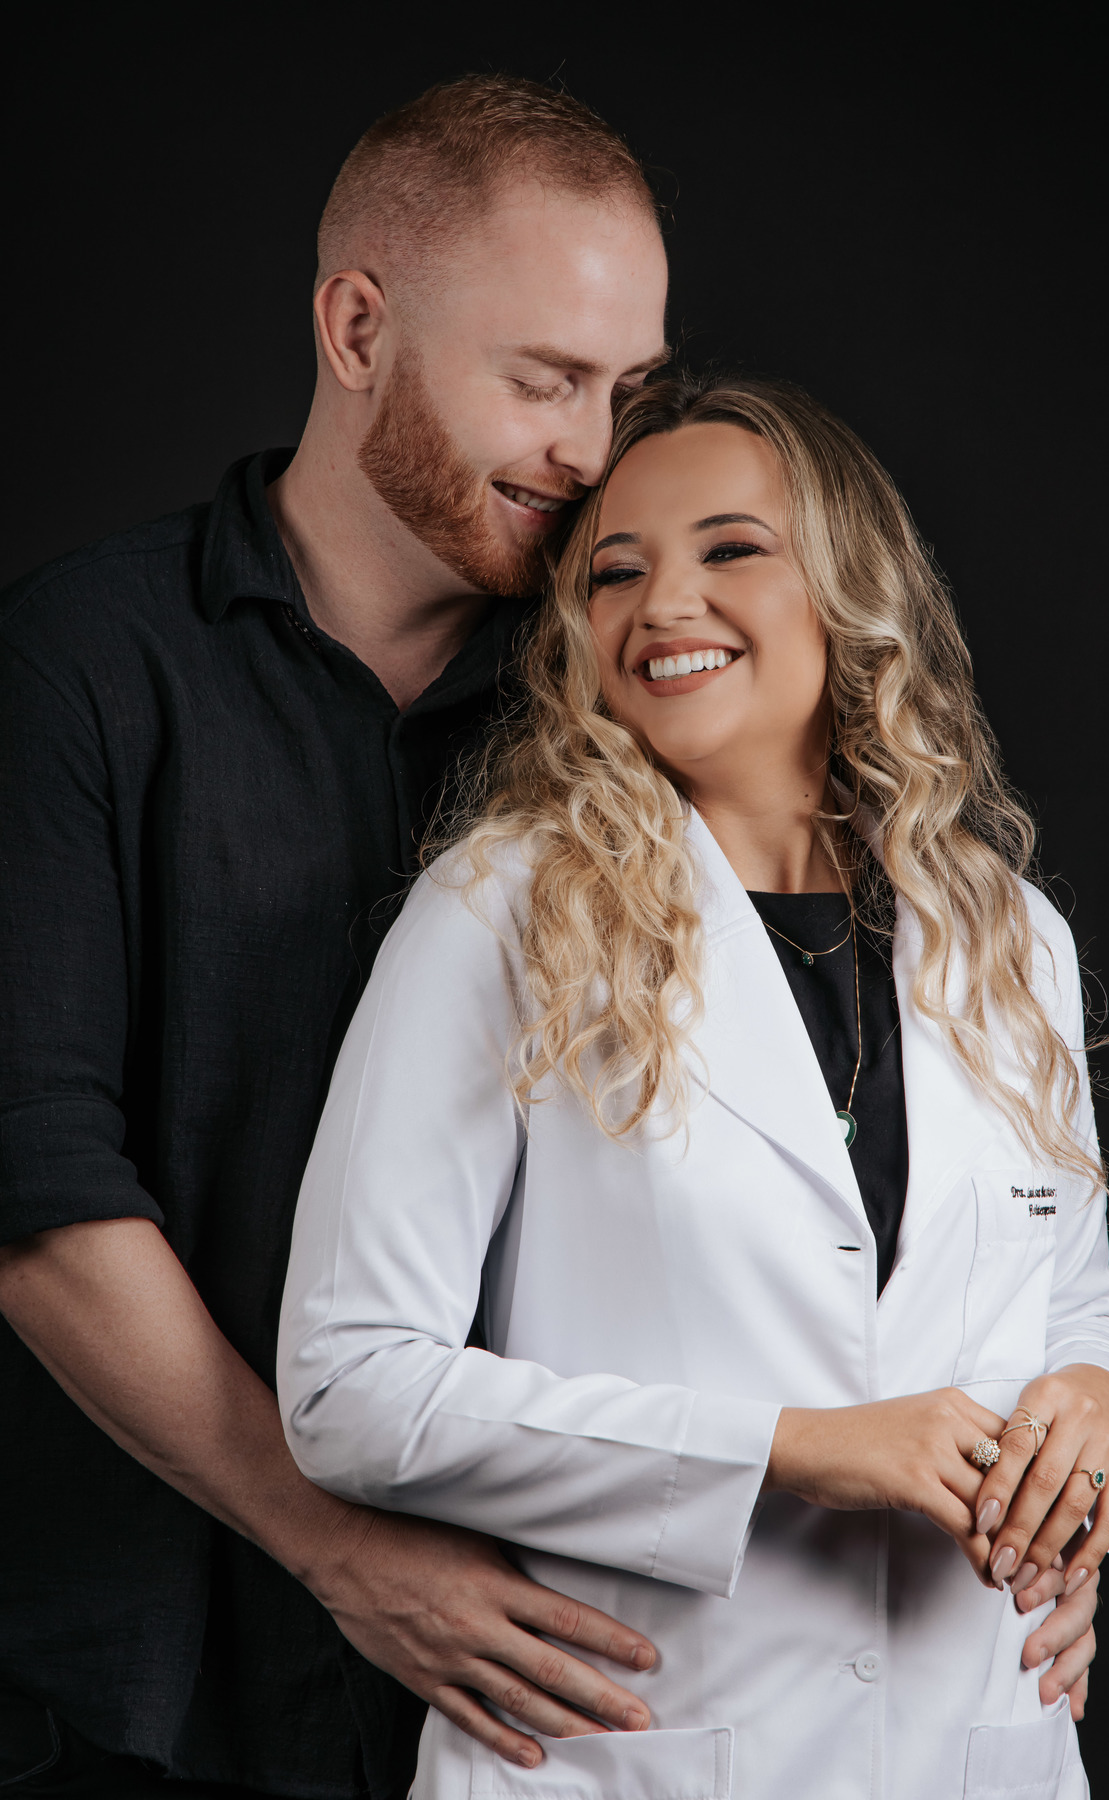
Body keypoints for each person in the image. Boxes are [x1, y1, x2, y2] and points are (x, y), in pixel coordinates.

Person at [278, 372, 1109, 1798]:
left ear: (850, 588)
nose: (663, 604)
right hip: (641, 1750)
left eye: (730, 548)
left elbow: (1068, 1306)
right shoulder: (505, 912)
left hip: (979, 1743)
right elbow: (349, 1384)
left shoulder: (1008, 935)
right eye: (614, 572)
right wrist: (786, 1451)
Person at [0, 76, 673, 1798]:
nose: (592, 454)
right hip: (146, 1680)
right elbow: (36, 1193)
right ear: (358, 327)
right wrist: (342, 1552)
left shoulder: (620, 710)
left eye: (625, 392)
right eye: (544, 379)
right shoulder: (78, 667)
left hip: (539, 1700)